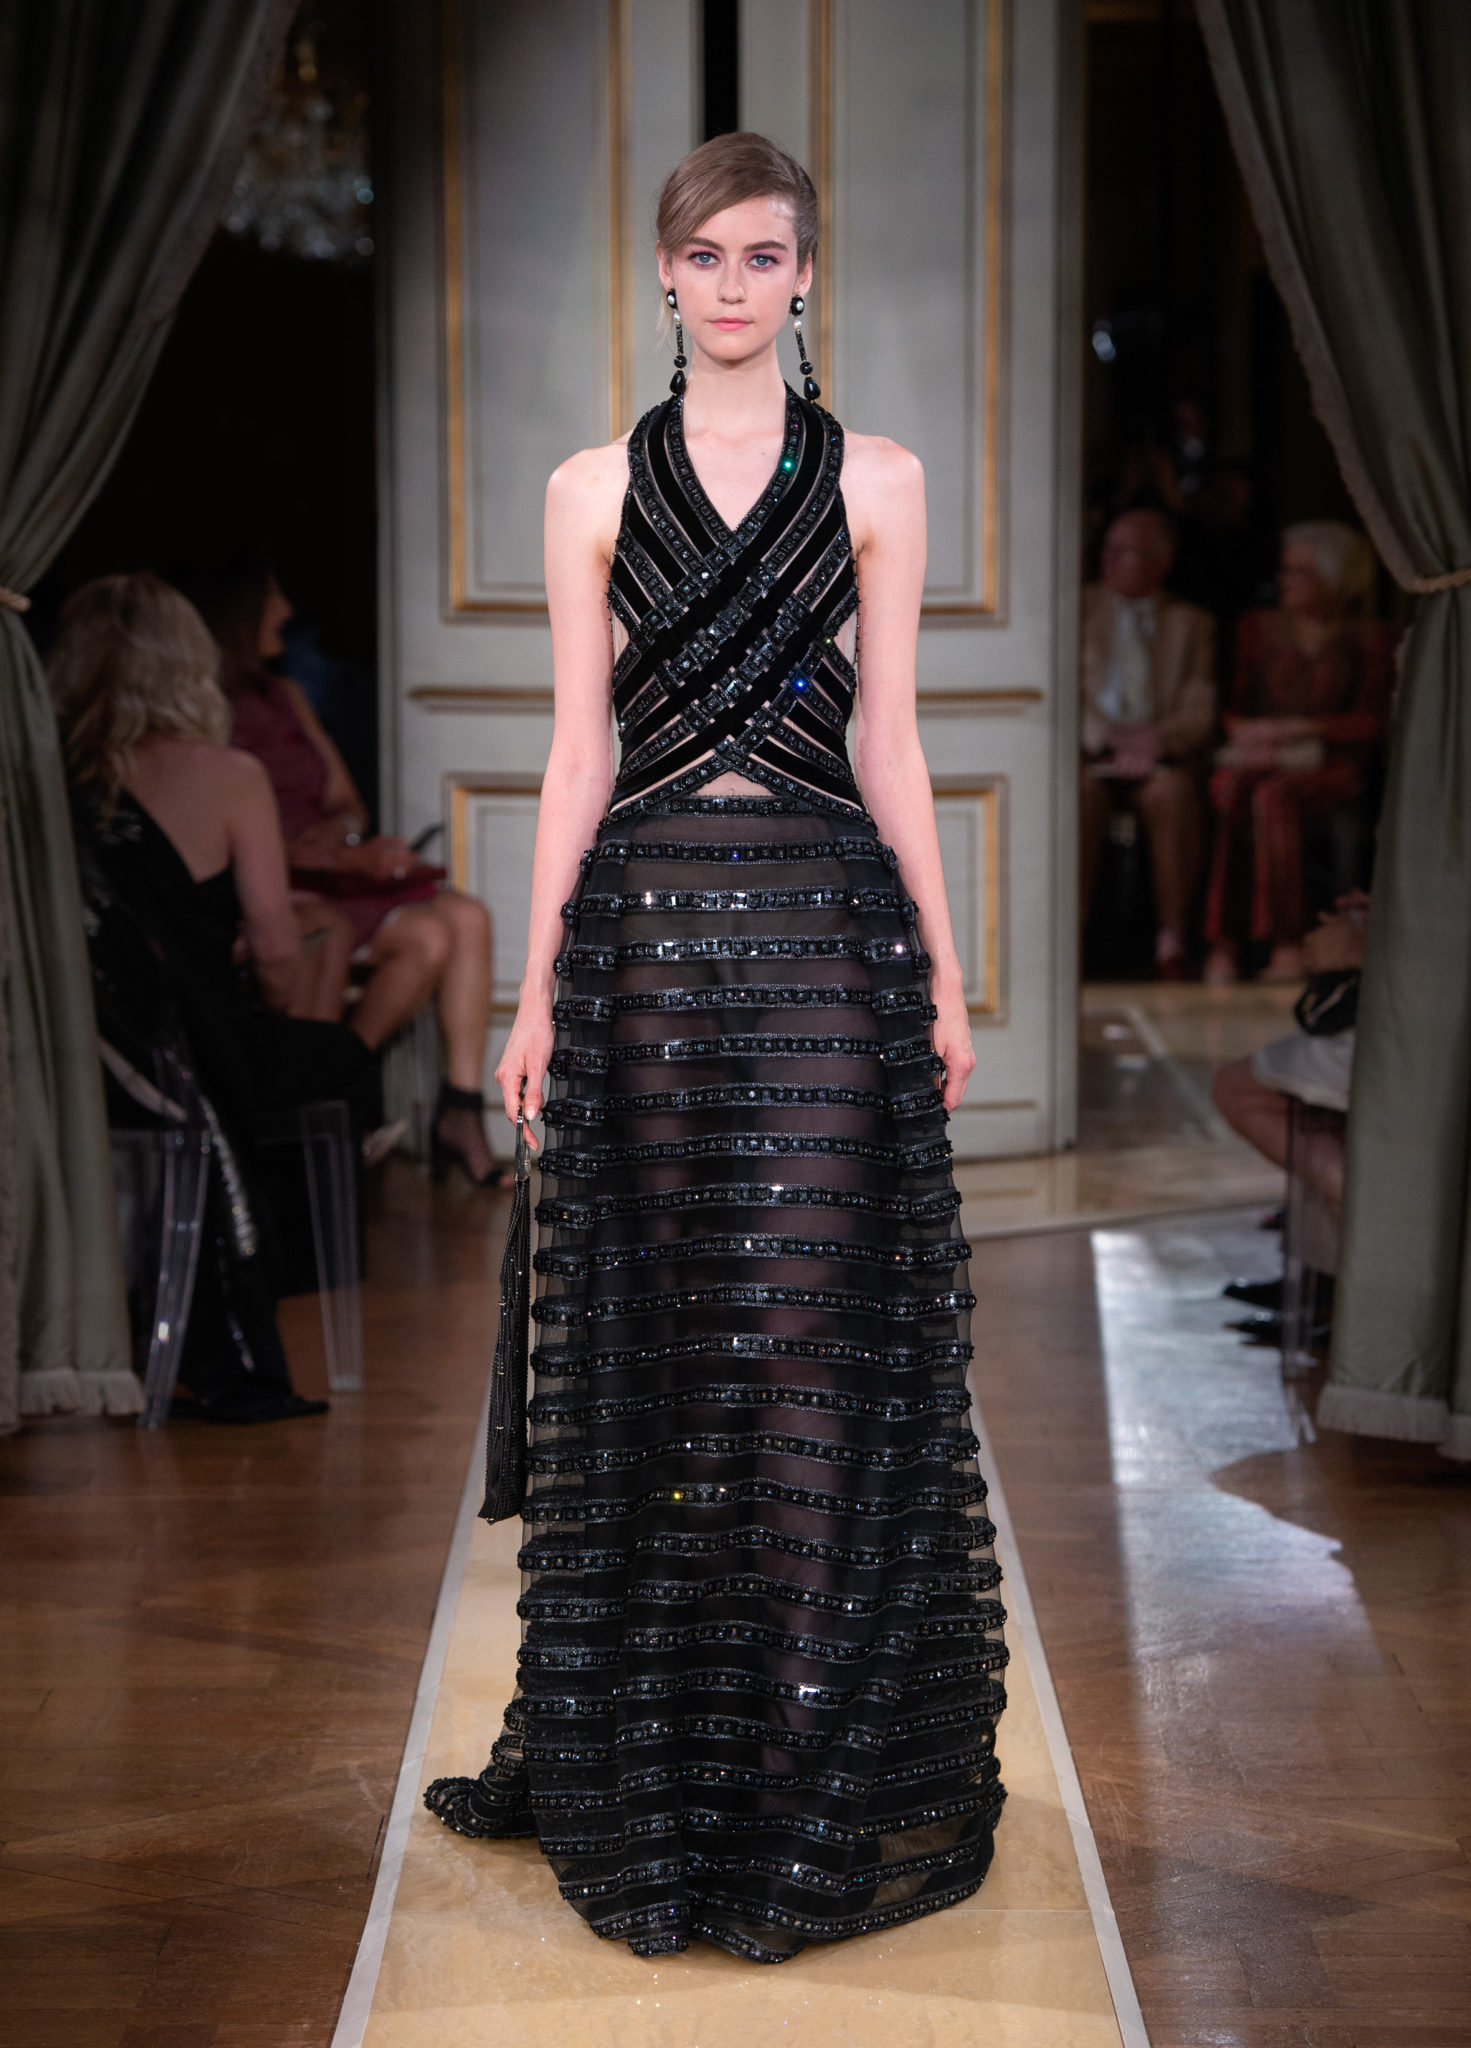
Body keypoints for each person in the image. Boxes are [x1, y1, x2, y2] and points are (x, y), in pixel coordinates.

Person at [423, 133, 1008, 1960]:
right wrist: (533, 991)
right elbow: (579, 751)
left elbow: (890, 738)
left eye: (765, 254)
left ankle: (802, 1764)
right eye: (706, 254)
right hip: (651, 946)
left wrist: (944, 969)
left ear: (804, 273)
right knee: (681, 1347)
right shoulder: (589, 486)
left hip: (830, 937)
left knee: (808, 1341)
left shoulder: (881, 480)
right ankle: (675, 1755)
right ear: (665, 274)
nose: (735, 283)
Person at [50, 573, 381, 1422]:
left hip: (73, 1058)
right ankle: (275, 1275)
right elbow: (276, 954)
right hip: (195, 1054)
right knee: (340, 1060)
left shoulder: (44, 773)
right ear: (184, 664)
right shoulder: (229, 776)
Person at [169, 556, 503, 1185]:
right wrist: (336, 856)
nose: (288, 612)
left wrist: (342, 836)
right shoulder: (201, 712)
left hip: (329, 871)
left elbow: (347, 801)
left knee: (467, 916)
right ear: (237, 614)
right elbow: (218, 827)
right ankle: (337, 1092)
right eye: (274, 598)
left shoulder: (285, 695)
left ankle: (452, 1107)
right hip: (274, 878)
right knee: (427, 937)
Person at [1203, 522, 1395, 984]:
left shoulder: (1369, 637)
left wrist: (1297, 729)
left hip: (1331, 764)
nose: (1285, 581)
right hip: (1259, 755)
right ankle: (1222, 941)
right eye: (1285, 571)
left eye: (1300, 573)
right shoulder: (1259, 628)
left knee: (1274, 796)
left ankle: (1287, 941)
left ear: (1335, 579)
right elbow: (1231, 706)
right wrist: (1250, 734)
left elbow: (1371, 722)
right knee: (1230, 786)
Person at [1079, 508, 1217, 977]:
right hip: (1091, 755)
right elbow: (1062, 692)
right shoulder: (1078, 607)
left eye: (1125, 552)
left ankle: (1172, 938)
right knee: (1076, 796)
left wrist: (1156, 742)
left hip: (1159, 758)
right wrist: (1109, 739)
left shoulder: (1192, 624)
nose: (1109, 559)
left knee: (1173, 795)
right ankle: (1069, 934)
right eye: (1108, 548)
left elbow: (1199, 707)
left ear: (1161, 561)